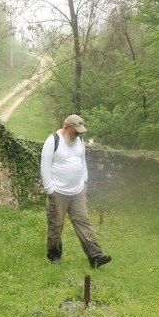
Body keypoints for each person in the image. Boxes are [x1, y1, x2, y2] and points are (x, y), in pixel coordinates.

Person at [40, 114, 112, 268]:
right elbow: (44, 166)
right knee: (56, 224)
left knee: (83, 222)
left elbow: (82, 160)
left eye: (80, 132)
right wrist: (50, 190)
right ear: (66, 127)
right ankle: (54, 256)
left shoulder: (79, 140)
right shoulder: (53, 141)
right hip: (58, 191)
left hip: (77, 190)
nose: (78, 134)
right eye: (75, 131)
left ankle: (96, 257)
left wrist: (84, 181)